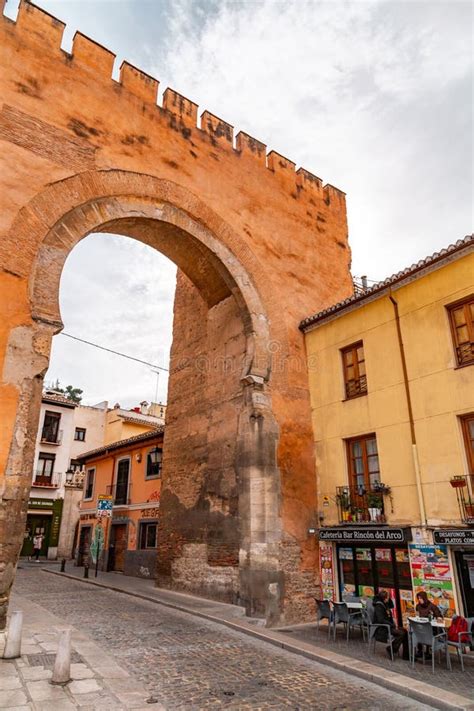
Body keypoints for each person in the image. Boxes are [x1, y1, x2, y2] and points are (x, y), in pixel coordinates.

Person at [372, 590, 409, 660]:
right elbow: (381, 620)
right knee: (401, 633)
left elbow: (391, 605)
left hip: (389, 626)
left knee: (405, 631)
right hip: (383, 628)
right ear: (384, 598)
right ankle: (391, 649)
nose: (388, 599)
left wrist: (388, 599)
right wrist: (392, 625)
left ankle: (406, 655)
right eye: (388, 598)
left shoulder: (385, 604)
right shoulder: (379, 606)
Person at [414, 591, 443, 659]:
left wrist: (438, 617)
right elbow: (417, 616)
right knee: (417, 631)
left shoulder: (432, 606)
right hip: (421, 627)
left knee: (428, 631)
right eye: (418, 598)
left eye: (421, 598)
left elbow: (439, 615)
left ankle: (428, 652)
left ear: (425, 598)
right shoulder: (418, 606)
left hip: (431, 628)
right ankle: (420, 651)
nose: (419, 600)